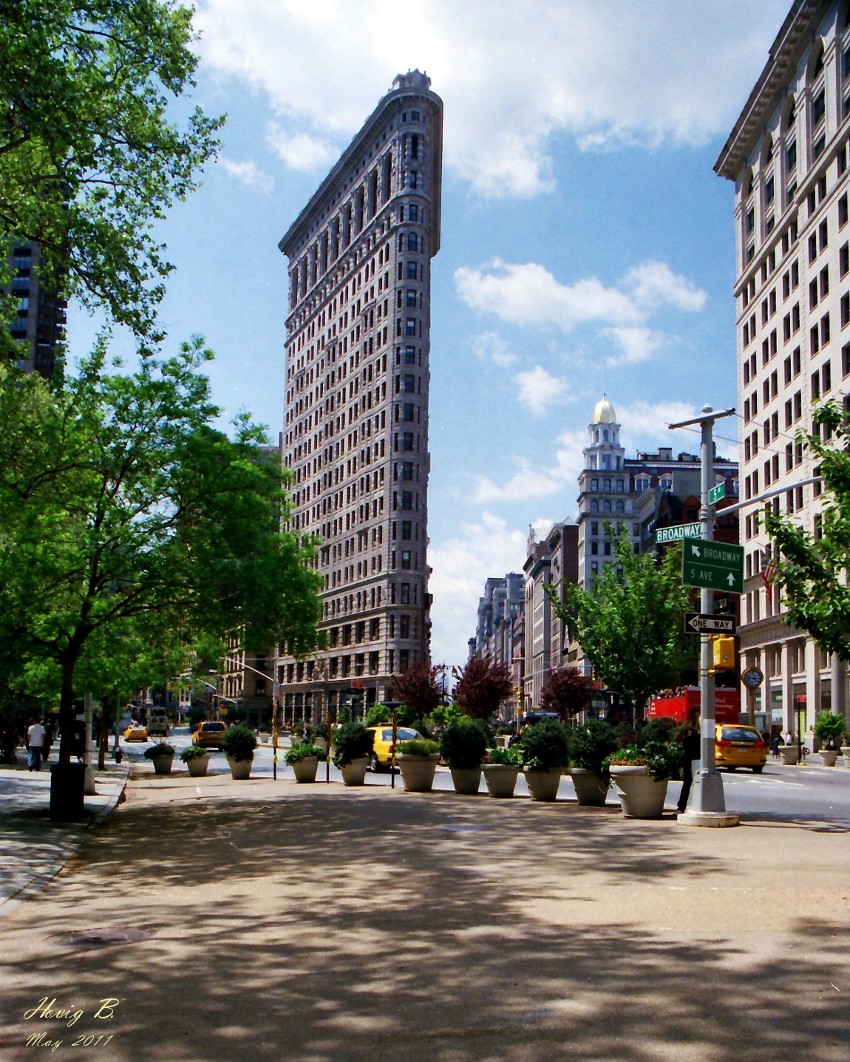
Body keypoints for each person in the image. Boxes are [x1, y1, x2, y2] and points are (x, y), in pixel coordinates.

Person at [676, 722, 701, 814]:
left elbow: (686, 753)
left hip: (689, 764)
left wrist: (679, 764)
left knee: (686, 785)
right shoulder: (699, 739)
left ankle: (681, 807)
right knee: (692, 785)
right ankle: (684, 806)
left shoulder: (688, 740)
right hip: (698, 763)